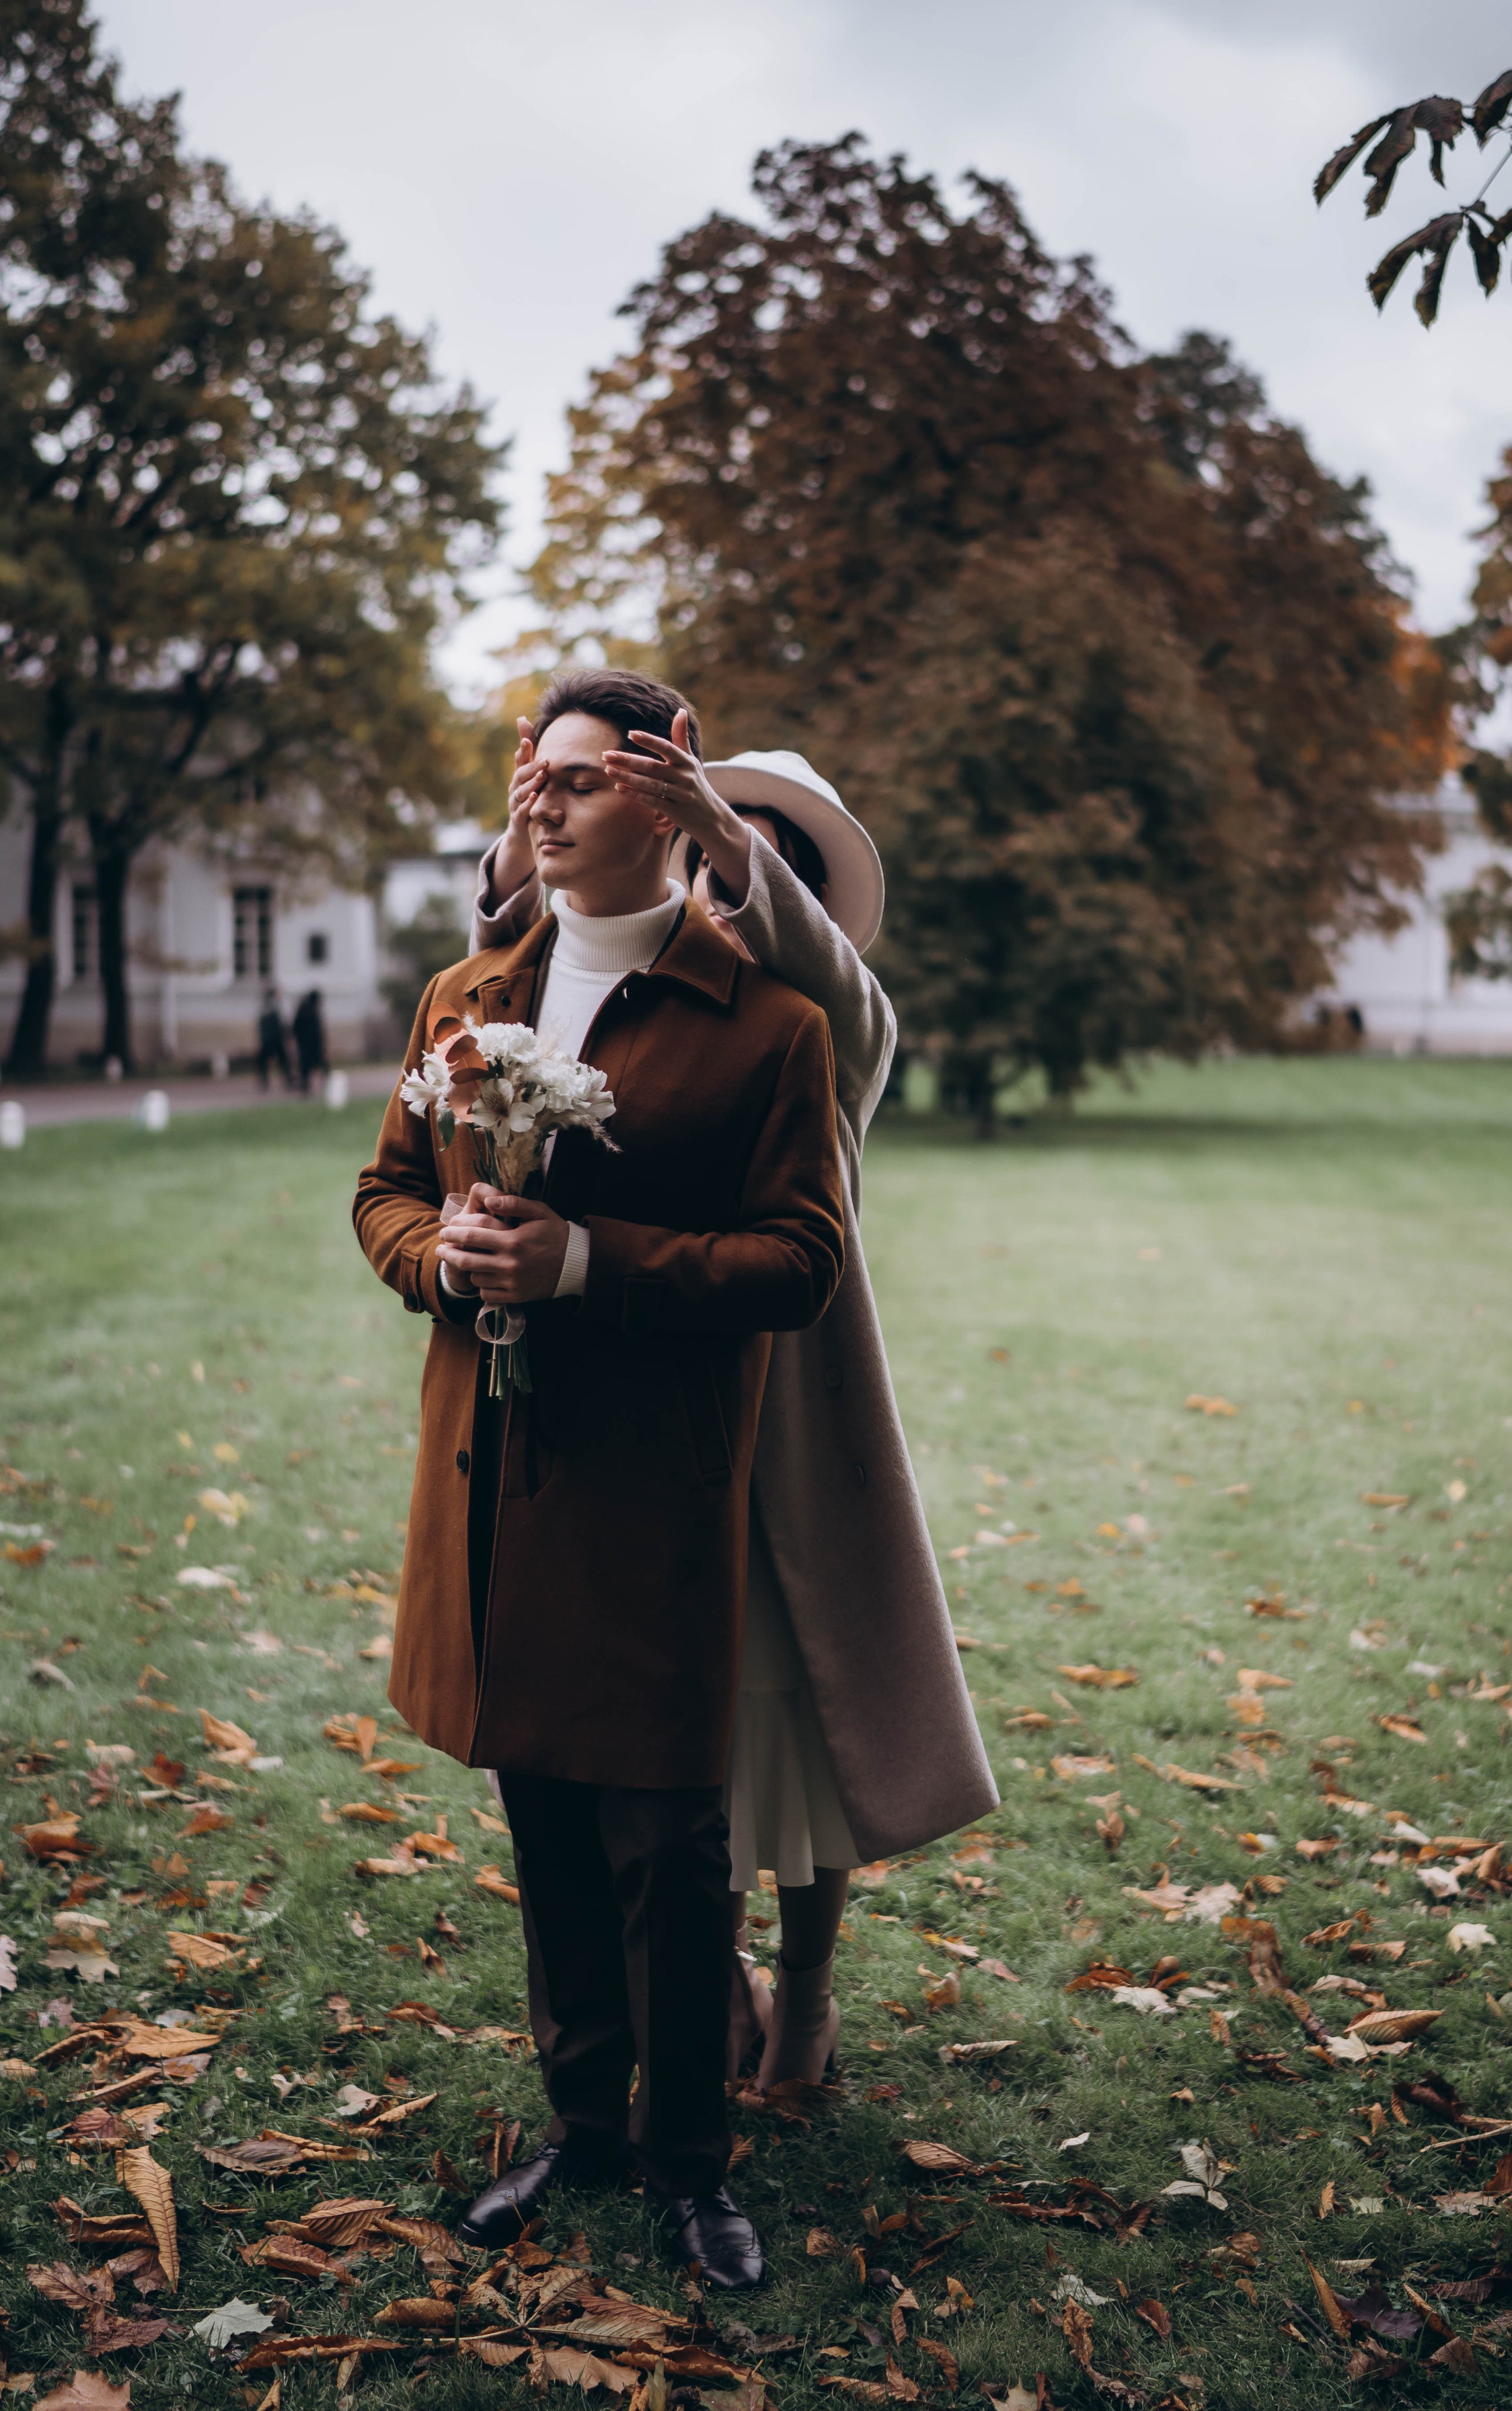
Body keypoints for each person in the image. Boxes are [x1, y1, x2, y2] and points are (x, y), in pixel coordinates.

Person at [353, 669, 847, 2291]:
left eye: (572, 778)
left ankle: (695, 2166)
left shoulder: (768, 1026)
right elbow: (377, 1194)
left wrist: (587, 1266)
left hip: (653, 1490)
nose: (536, 802)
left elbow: (797, 1263)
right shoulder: (462, 995)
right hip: (491, 1473)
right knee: (544, 1820)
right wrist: (447, 1260)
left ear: (662, 791)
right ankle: (582, 2123)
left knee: (668, 1844)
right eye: (528, 778)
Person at [472, 710, 997, 2090]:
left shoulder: (833, 1021)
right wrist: (539, 805)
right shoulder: (658, 991)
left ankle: (809, 1989)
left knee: (800, 1734)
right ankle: (710, 1992)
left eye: (752, 862)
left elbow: (846, 998)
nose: (719, 879)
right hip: (640, 1404)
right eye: (708, 851)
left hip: (794, 1432)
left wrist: (713, 822)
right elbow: (535, 943)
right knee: (662, 1741)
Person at [291, 988, 327, 1093]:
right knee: (319, 1064)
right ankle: (326, 1083)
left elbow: (295, 1026)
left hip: (304, 1043)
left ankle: (306, 1085)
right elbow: (317, 1029)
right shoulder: (312, 1009)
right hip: (313, 1044)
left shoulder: (303, 1008)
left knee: (306, 1066)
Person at [256, 986, 291, 1089]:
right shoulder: (273, 1007)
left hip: (270, 1039)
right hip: (274, 1039)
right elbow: (280, 1025)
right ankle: (286, 1081)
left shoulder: (266, 1008)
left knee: (267, 1062)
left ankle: (266, 1082)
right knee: (282, 1061)